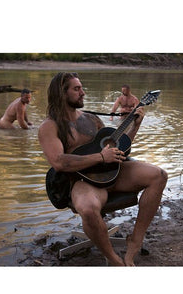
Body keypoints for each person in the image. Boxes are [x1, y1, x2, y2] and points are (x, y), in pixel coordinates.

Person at [38, 72, 167, 266]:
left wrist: (134, 127)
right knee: (88, 208)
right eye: (77, 89)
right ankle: (113, 258)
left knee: (159, 175)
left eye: (81, 87)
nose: (83, 92)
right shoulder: (50, 126)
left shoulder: (91, 119)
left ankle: (136, 240)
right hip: (82, 181)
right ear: (61, 93)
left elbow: (114, 149)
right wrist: (100, 157)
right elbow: (59, 162)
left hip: (111, 173)